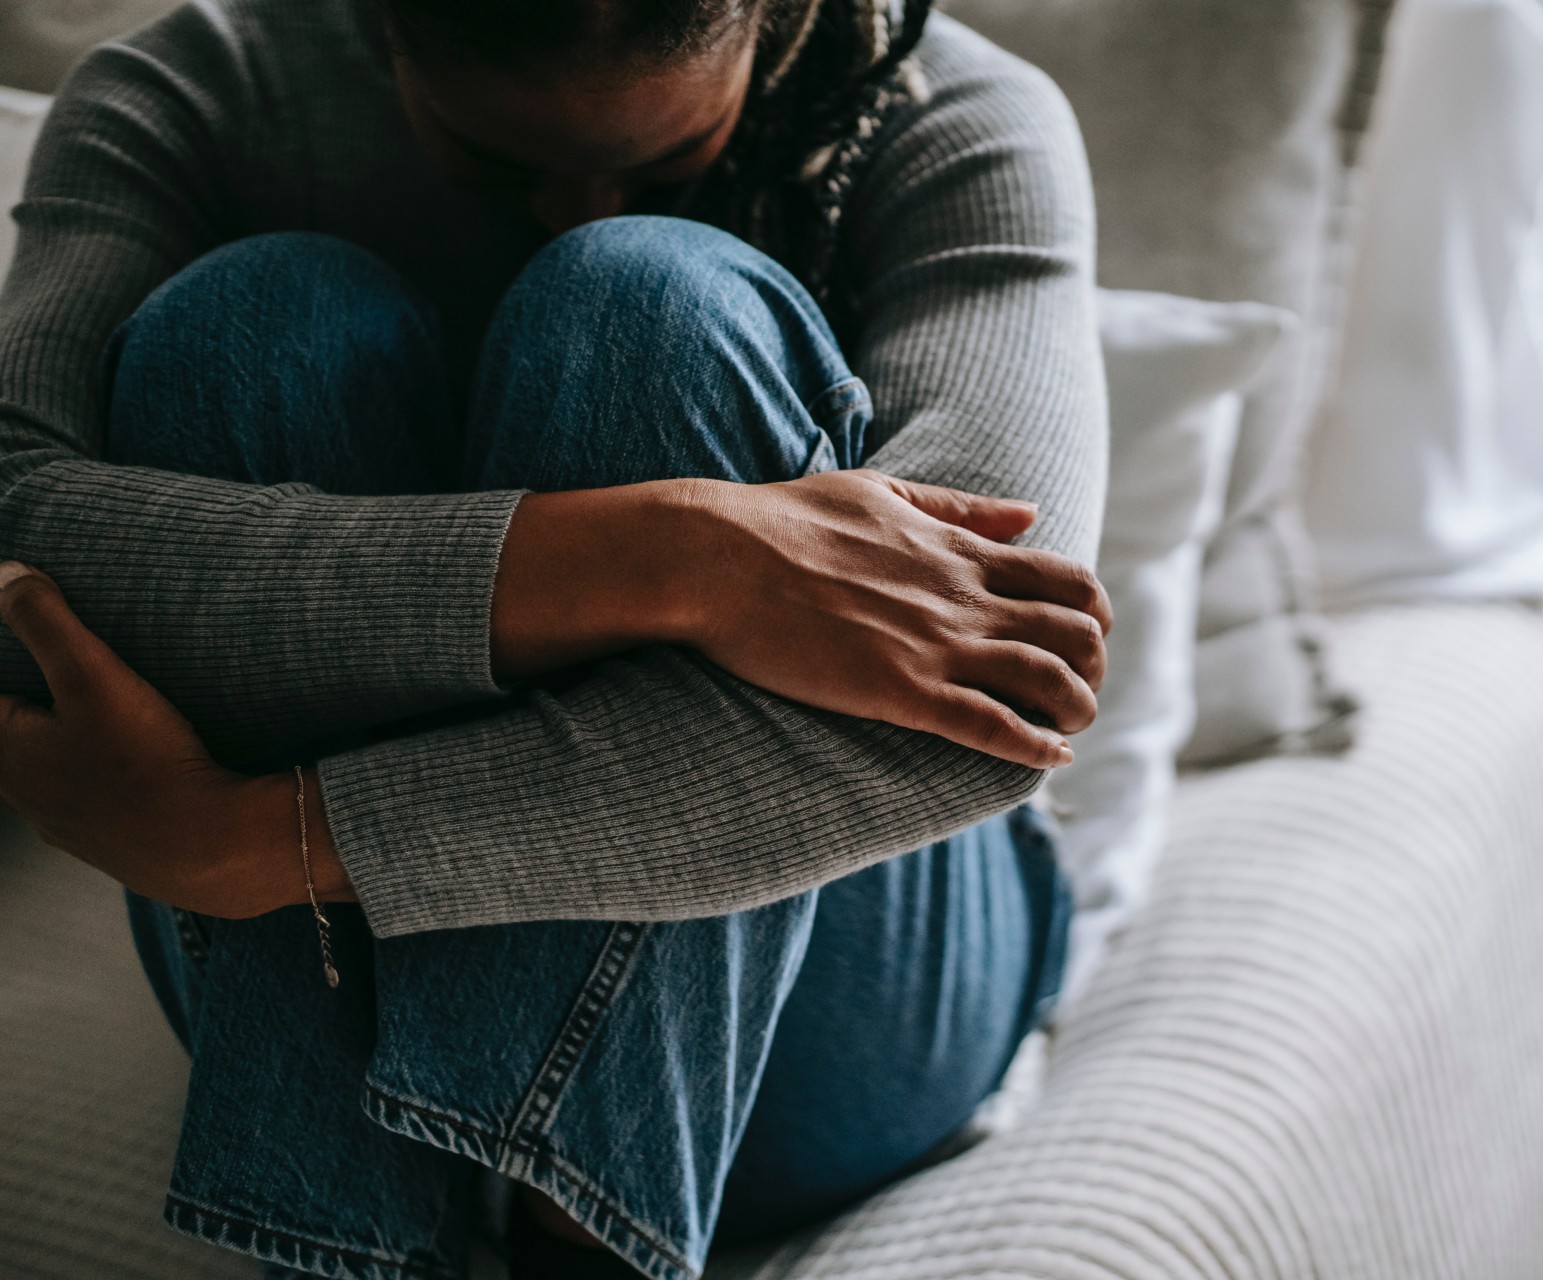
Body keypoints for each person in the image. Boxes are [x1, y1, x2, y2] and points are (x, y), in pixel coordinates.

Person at [0, 0, 1107, 1274]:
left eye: (667, 160)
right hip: (323, 974)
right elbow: (15, 537)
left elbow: (1002, 709)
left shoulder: (951, 119)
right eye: (498, 163)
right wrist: (683, 553)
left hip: (828, 990)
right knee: (249, 327)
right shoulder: (196, 88)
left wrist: (255, 842)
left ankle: (584, 1240)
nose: (574, 206)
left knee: (648, 300)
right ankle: (355, 1234)